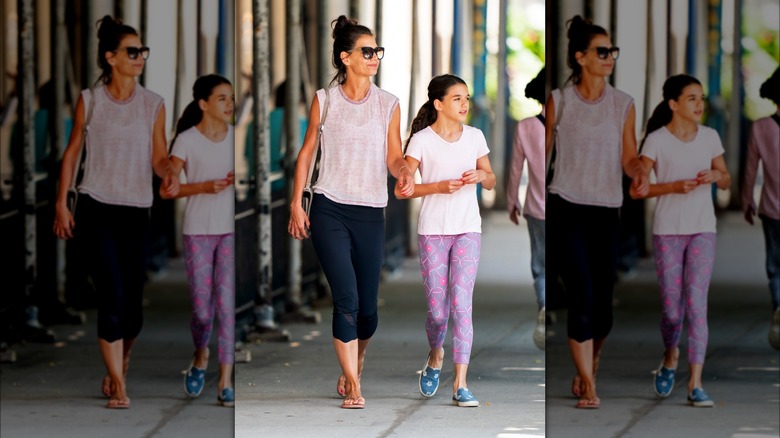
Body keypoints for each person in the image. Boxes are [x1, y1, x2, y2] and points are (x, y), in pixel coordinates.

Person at [287, 15, 414, 409]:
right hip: (329, 208)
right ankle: (355, 388)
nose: (375, 56)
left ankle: (355, 362)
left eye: (377, 51)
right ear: (345, 58)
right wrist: (296, 202)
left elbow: (393, 156)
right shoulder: (325, 101)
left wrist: (405, 169)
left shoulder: (388, 103)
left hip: (371, 211)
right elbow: (308, 152)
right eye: (367, 51)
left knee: (369, 312)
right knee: (346, 299)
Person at [52, 15, 179, 409]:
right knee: (110, 294)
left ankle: (118, 365)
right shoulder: (90, 101)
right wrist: (62, 201)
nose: (140, 57)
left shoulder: (152, 104)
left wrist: (170, 169)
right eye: (132, 51)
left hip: (136, 212)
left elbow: (158, 157)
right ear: (110, 58)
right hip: (95, 207)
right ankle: (120, 387)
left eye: (142, 51)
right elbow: (73, 152)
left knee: (133, 309)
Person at [545, 15, 648, 409]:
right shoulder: (560, 100)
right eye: (602, 52)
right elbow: (545, 156)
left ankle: (592, 358)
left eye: (612, 52)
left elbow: (627, 156)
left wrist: (639, 171)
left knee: (603, 308)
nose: (609, 58)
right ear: (581, 57)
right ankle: (588, 383)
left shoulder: (623, 104)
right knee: (582, 296)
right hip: (567, 205)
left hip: (607, 210)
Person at [394, 74, 495, 407]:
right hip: (433, 231)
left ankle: (461, 384)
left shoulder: (476, 137)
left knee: (462, 306)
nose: (465, 104)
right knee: (438, 313)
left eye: (466, 97)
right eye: (457, 98)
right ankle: (435, 355)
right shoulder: (421, 140)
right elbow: (402, 188)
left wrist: (482, 176)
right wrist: (436, 187)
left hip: (468, 229)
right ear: (438, 104)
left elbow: (491, 179)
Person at [630, 74, 731, 407]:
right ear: (673, 104)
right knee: (673, 312)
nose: (700, 104)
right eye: (691, 98)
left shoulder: (711, 137)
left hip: (703, 229)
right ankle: (671, 355)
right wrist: (672, 187)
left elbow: (727, 179)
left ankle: (696, 384)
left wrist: (717, 176)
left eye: (700, 97)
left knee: (697, 305)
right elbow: (638, 189)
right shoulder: (656, 140)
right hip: (668, 231)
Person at [161, 74, 236, 407]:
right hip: (197, 231)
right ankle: (200, 355)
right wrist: (204, 187)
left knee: (227, 307)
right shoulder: (186, 140)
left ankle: (225, 380)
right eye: (222, 98)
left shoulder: (237, 136)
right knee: (203, 311)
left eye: (231, 98)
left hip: (230, 231)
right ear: (203, 104)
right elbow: (169, 188)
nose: (229, 104)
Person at [507, 67, 546, 350]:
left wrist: (512, 200)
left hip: (536, 208)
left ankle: (544, 306)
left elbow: (515, 167)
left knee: (540, 266)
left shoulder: (526, 127)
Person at [742, 68, 780, 350]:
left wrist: (747, 200)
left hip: (771, 208)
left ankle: (779, 307)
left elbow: (750, 168)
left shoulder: (760, 127)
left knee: (775, 266)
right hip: (771, 208)